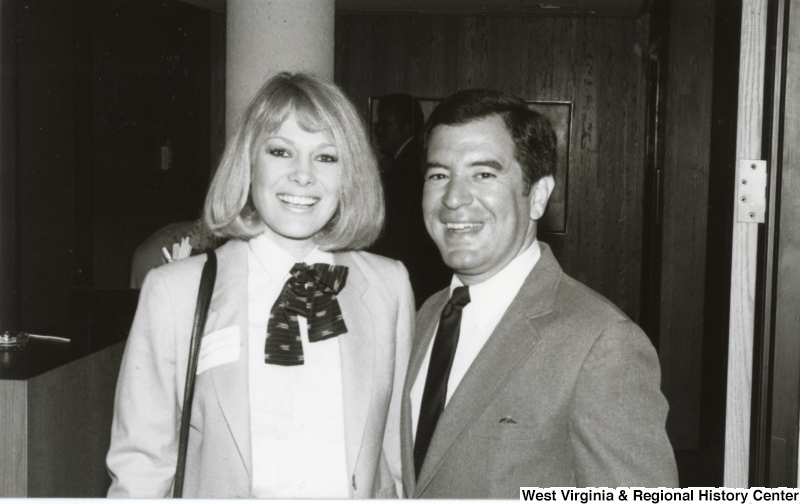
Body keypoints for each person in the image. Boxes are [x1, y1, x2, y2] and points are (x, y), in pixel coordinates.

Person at [107, 72, 414, 498]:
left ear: (350, 174)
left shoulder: (387, 286)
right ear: (250, 163)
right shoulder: (175, 292)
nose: (303, 176)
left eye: (326, 157)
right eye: (281, 151)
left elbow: (398, 459)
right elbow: (142, 467)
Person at [401, 88, 678, 498]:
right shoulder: (425, 315)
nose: (453, 198)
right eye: (439, 174)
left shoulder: (601, 343)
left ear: (539, 196)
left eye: (484, 173)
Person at [371, 94, 449, 306]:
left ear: (407, 127)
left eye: (386, 124)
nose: (379, 130)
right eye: (378, 124)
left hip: (414, 282)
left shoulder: (408, 167)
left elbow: (394, 235)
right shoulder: (404, 161)